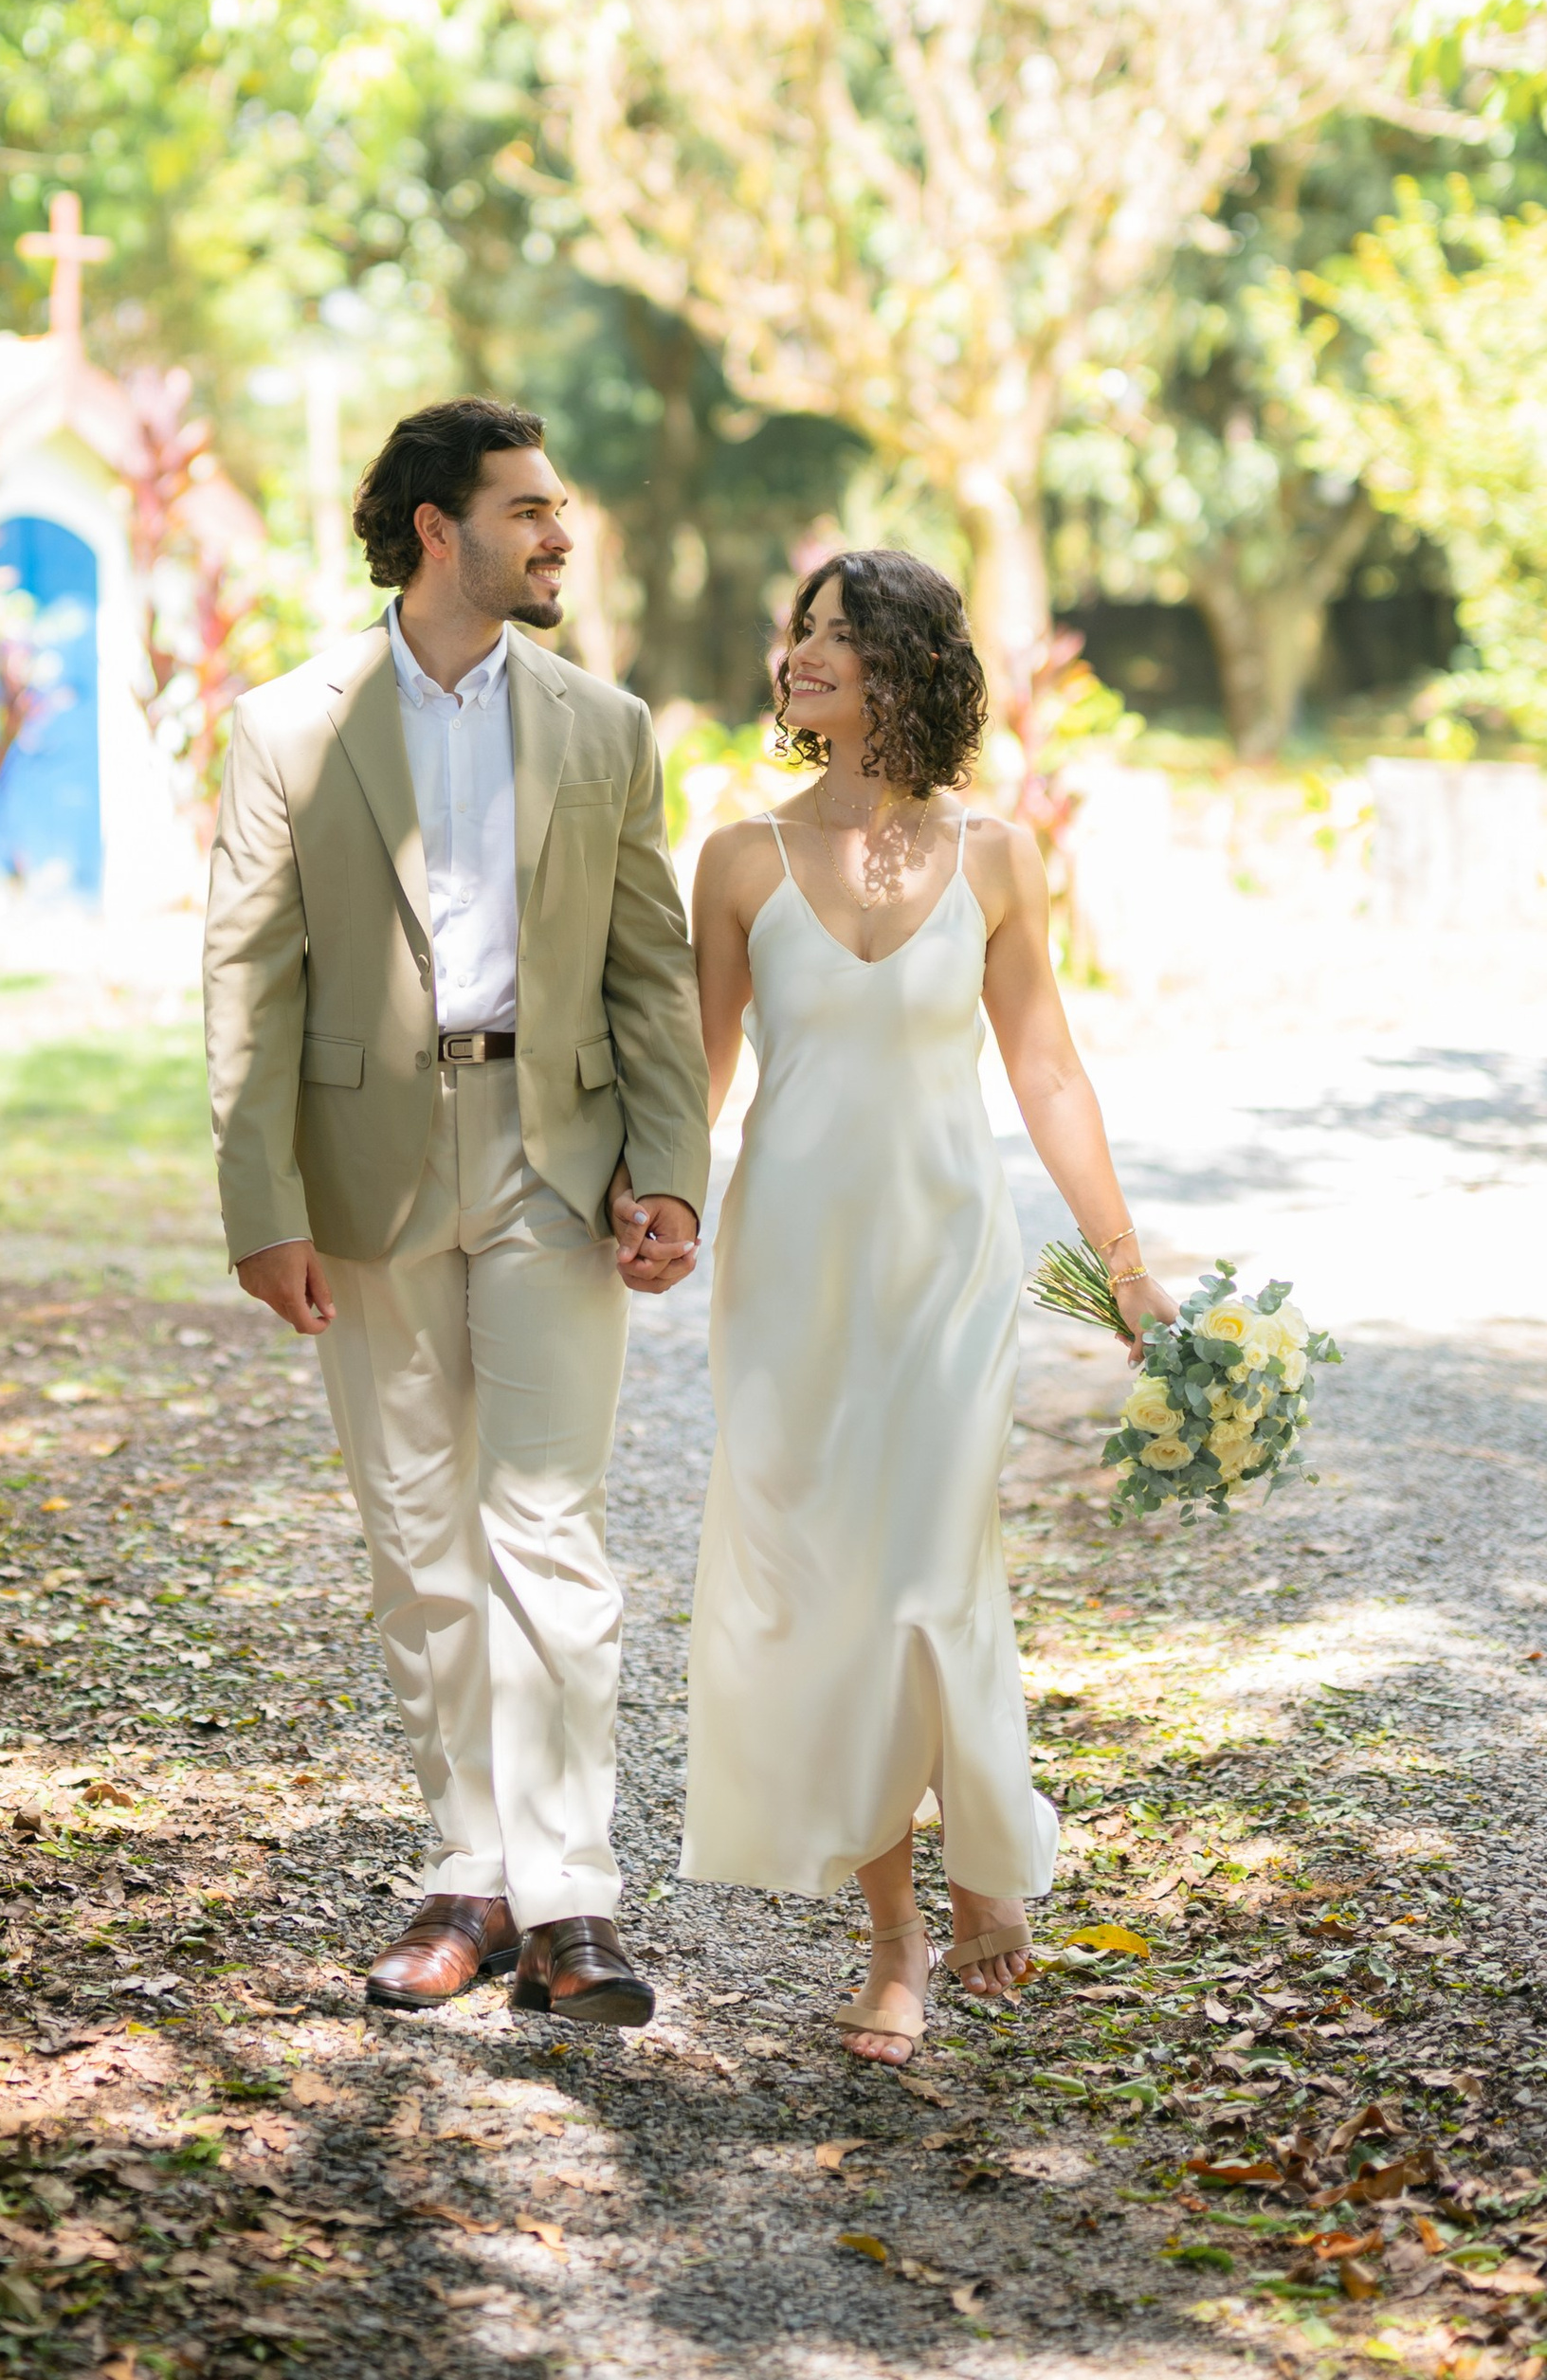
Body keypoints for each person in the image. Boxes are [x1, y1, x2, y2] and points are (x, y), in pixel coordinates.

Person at [205, 398, 710, 2026]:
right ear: (438, 528)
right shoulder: (290, 725)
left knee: (547, 1527)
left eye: (560, 510)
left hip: (556, 1152)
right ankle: (468, 1874)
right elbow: (249, 977)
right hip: (368, 1163)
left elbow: (649, 972)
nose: (561, 534)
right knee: (420, 1537)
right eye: (529, 509)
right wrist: (259, 1202)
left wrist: (672, 1168)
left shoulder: (604, 724)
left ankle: (573, 1903)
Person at [680, 549, 1178, 2066]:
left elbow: (1046, 1071)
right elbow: (699, 1079)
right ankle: (896, 1931)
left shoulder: (997, 857)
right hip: (791, 1276)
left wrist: (1127, 1264)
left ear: (908, 662)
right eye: (800, 633)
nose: (803, 655)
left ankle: (969, 1886)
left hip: (946, 1269)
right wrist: (645, 1213)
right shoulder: (739, 859)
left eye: (838, 633)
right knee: (830, 1592)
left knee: (925, 1577)